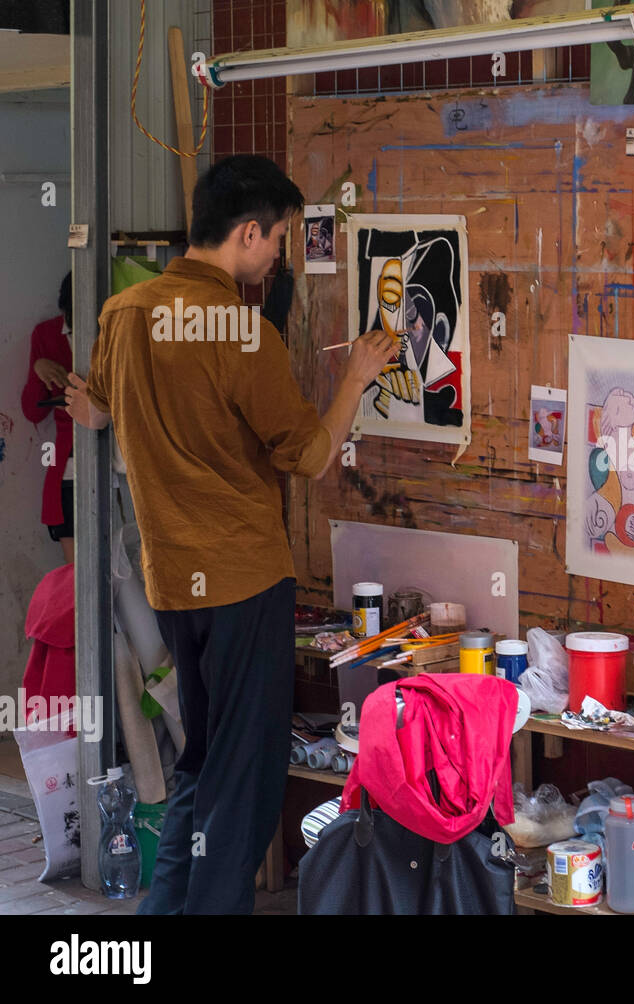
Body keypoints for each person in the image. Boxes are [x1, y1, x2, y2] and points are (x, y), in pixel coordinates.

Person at [64, 155, 399, 914]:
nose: (278, 254)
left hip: (172, 582)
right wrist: (357, 376)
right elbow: (311, 458)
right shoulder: (243, 334)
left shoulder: (125, 315)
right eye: (276, 238)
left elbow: (98, 411)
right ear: (247, 233)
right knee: (241, 789)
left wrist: (94, 402)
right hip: (245, 580)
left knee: (202, 763)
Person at [21, 271, 75, 564]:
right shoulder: (46, 335)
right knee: (77, 578)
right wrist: (39, 370)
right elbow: (33, 412)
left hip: (119, 461)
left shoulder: (115, 332)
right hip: (68, 467)